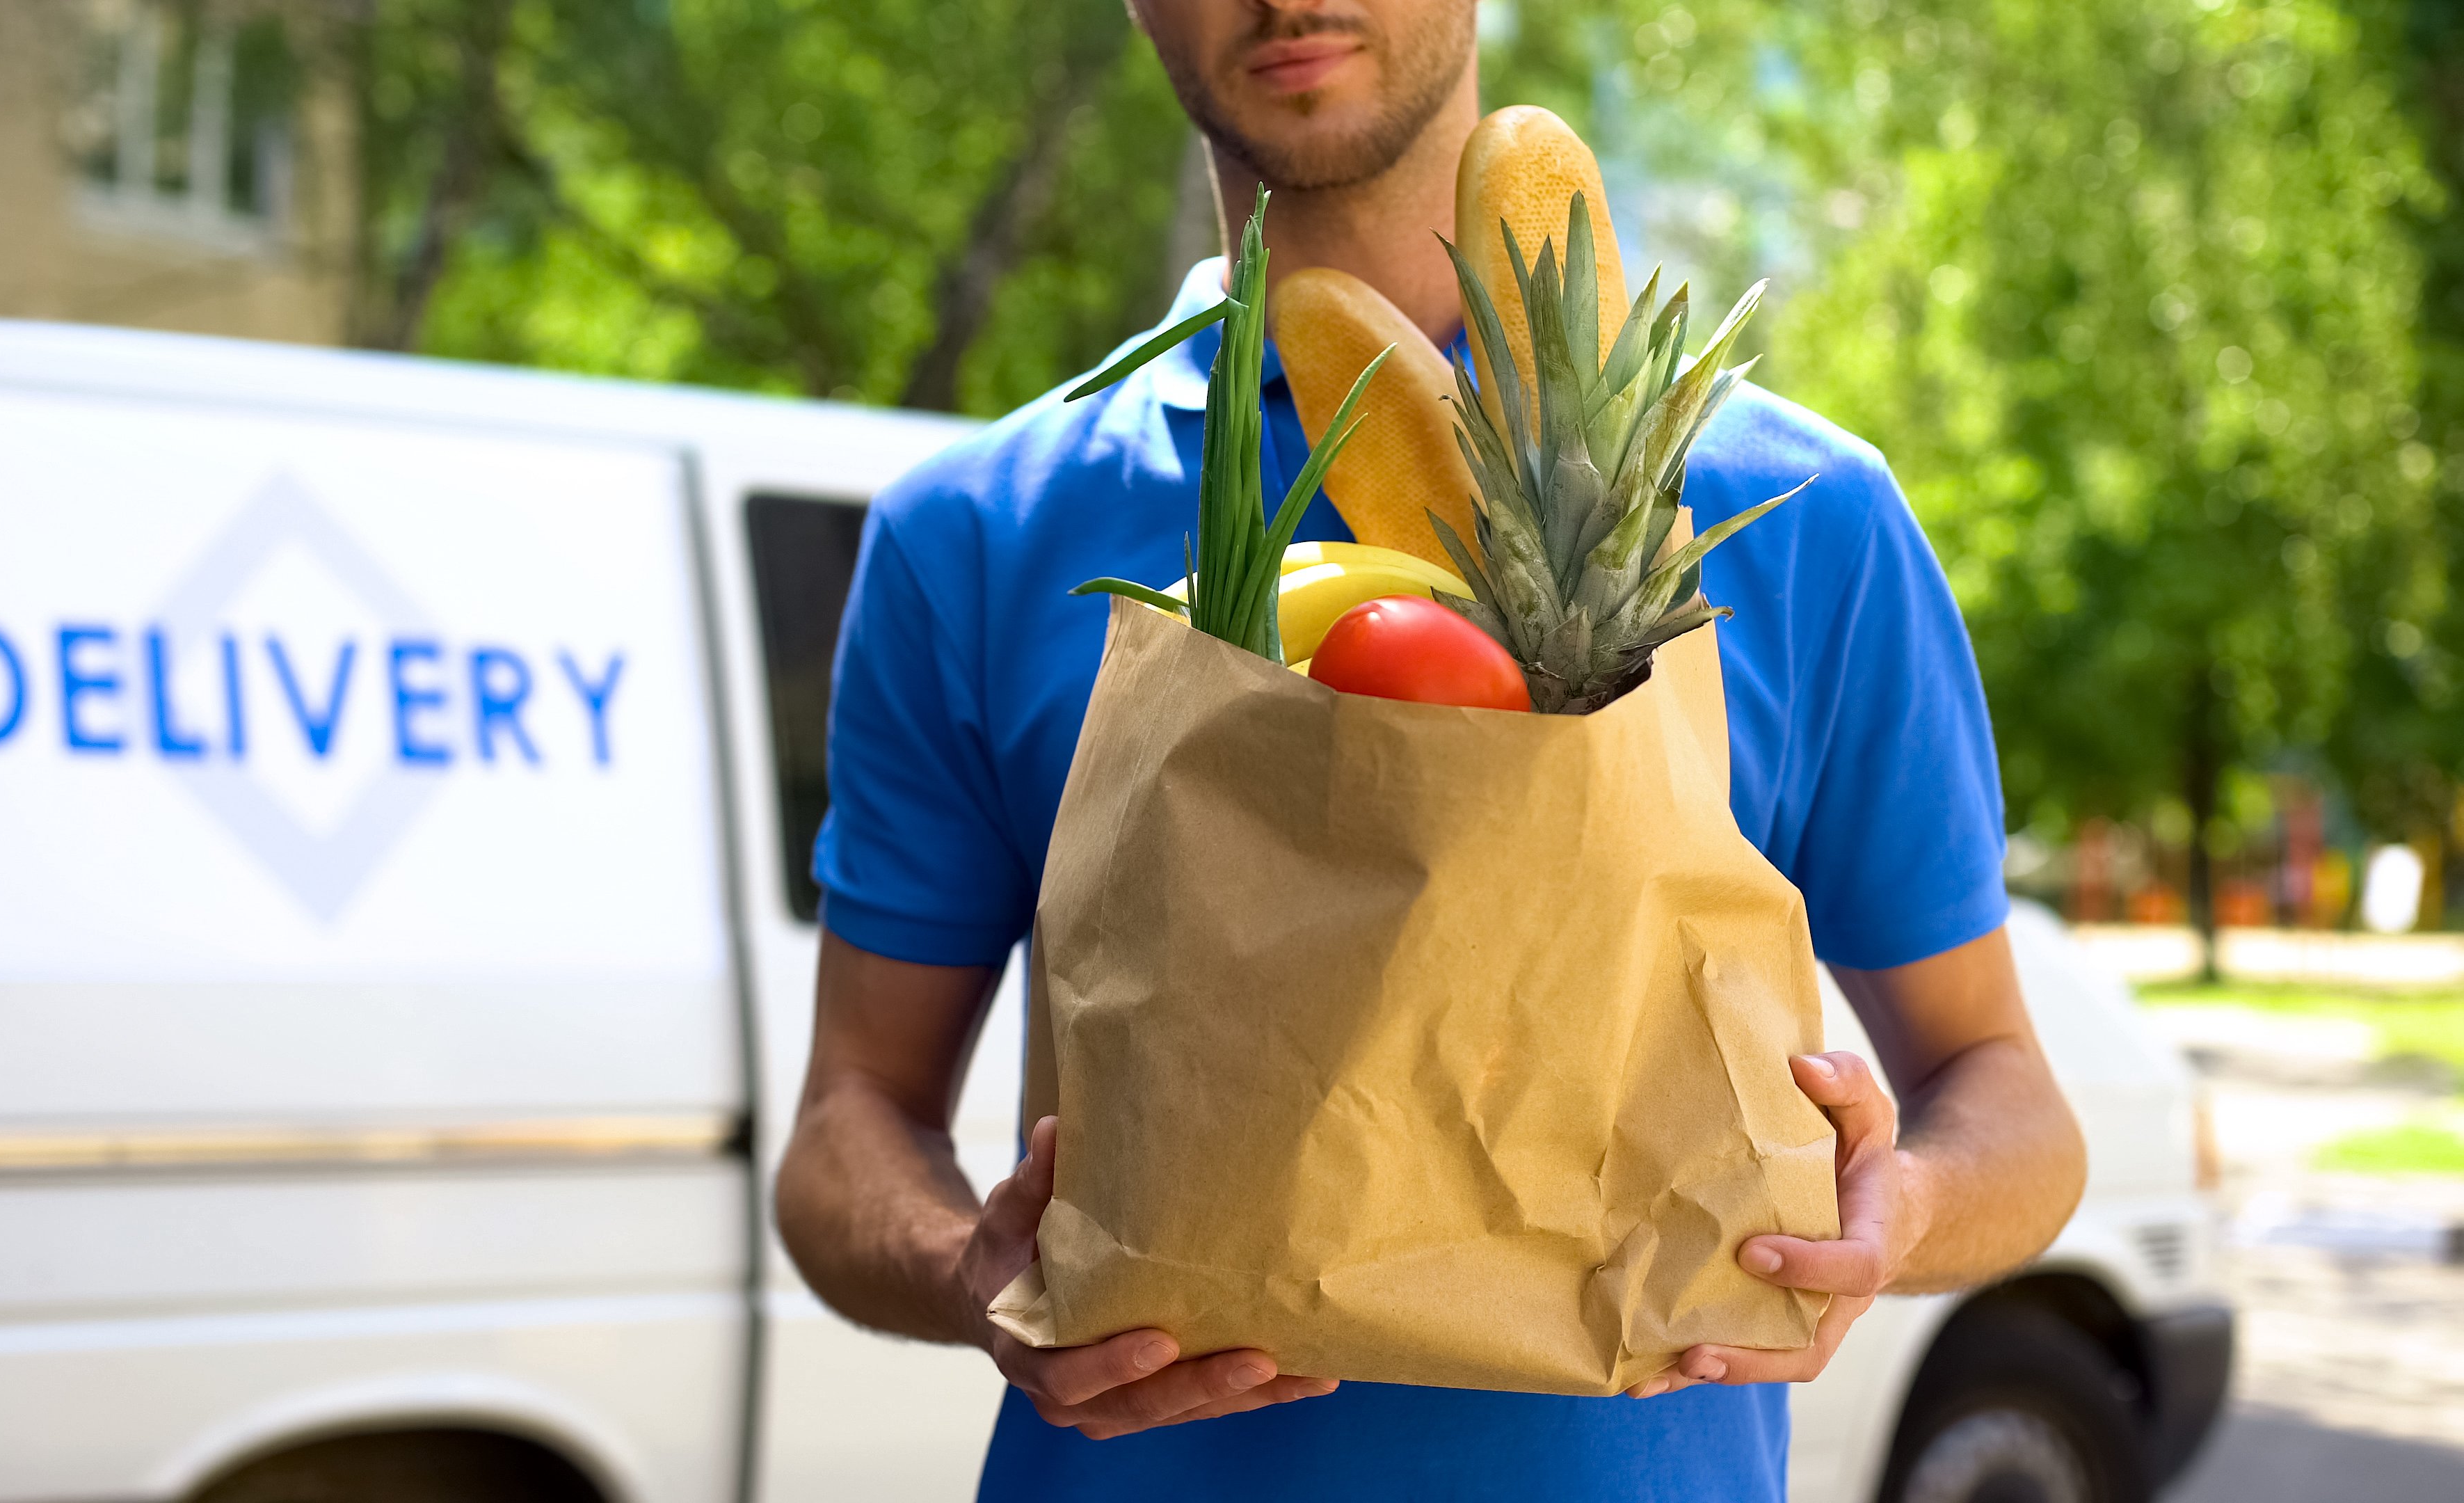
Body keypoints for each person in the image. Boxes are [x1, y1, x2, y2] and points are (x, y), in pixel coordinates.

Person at [772, 1, 2088, 1497]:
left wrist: (1897, 1213)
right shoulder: (976, 535)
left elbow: (2011, 1099)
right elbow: (844, 1129)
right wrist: (971, 1273)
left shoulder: (1797, 517)